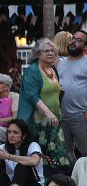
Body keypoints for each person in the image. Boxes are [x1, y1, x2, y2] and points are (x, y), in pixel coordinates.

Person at [17, 38, 66, 171]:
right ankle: (44, 183)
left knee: (58, 151)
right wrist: (49, 114)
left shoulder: (52, 69)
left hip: (54, 119)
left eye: (52, 51)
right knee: (41, 153)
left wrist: (57, 113)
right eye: (46, 51)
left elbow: (57, 93)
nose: (51, 53)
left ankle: (58, 181)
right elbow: (33, 97)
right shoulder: (32, 71)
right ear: (38, 54)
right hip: (38, 121)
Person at [58, 30, 87, 160]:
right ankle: (69, 178)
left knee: (86, 151)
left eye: (78, 40)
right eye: (73, 38)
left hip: (81, 115)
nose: (73, 42)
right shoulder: (60, 62)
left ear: (86, 46)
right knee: (65, 151)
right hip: (61, 115)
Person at [1, 119, 46, 186]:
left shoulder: (32, 145)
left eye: (15, 132)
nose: (11, 135)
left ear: (24, 135)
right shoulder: (3, 148)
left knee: (23, 165)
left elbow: (34, 161)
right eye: (9, 132)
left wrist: (8, 156)